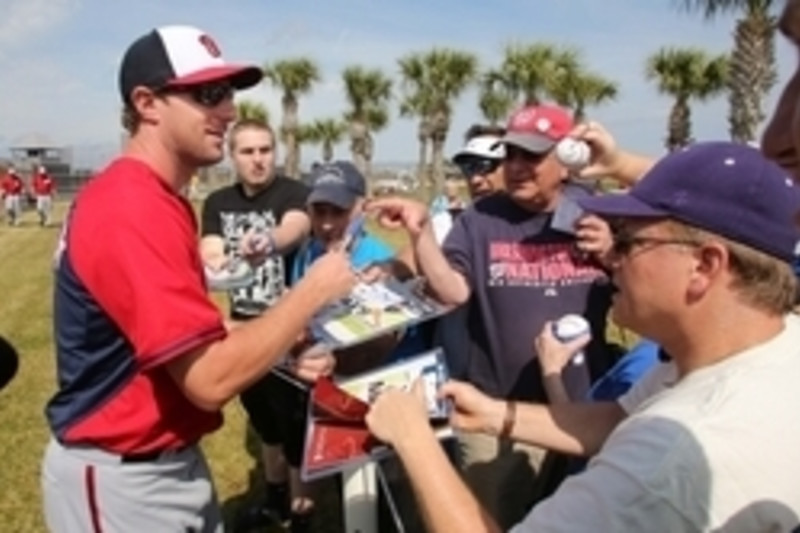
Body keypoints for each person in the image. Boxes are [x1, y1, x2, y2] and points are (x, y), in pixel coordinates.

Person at [365, 139, 800, 532]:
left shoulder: (664, 468)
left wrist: (414, 439)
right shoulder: (759, 347)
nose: (611, 259)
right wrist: (495, 414)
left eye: (628, 242)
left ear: (705, 266)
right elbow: (618, 418)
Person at [41, 24, 356, 533]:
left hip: (160, 464)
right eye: (209, 94)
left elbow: (179, 336)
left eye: (228, 94)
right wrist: (312, 291)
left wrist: (283, 344)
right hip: (123, 474)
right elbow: (208, 379)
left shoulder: (154, 198)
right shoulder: (131, 205)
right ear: (147, 103)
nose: (228, 111)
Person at [365, 104, 616, 528]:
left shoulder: (601, 214)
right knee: (485, 518)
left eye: (532, 156)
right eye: (511, 154)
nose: (516, 167)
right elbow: (452, 291)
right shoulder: (482, 218)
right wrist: (420, 232)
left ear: (567, 159)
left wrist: (613, 251)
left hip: (586, 410)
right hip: (494, 412)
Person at [199, 118, 312, 531]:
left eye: (265, 150)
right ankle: (276, 500)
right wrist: (214, 260)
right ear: (233, 156)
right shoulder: (217, 202)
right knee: (264, 424)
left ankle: (303, 512)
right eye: (248, 152)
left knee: (296, 424)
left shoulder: (293, 192)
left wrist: (268, 241)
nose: (258, 160)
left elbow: (295, 226)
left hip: (289, 330)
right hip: (241, 329)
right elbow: (210, 246)